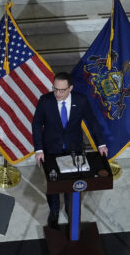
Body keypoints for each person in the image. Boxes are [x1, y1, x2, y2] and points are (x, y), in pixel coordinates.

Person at [32, 71, 108, 229]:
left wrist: (101, 143)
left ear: (70, 88)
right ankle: (54, 212)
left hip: (74, 148)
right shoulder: (45, 101)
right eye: (55, 89)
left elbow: (92, 122)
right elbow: (37, 124)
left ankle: (69, 208)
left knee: (72, 183)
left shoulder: (81, 100)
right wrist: (39, 149)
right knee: (53, 185)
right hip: (51, 149)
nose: (57, 93)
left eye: (61, 90)